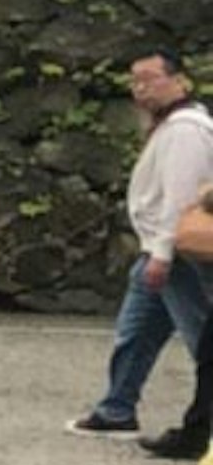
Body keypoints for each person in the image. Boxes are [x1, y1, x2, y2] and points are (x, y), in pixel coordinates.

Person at [73, 52, 213, 442]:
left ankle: (197, 424)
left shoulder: (187, 129)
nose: (140, 88)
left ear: (179, 81)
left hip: (176, 251)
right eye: (135, 80)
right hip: (159, 247)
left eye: (150, 78)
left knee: (200, 334)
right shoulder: (169, 127)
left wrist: (163, 253)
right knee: (136, 330)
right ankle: (116, 407)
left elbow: (181, 198)